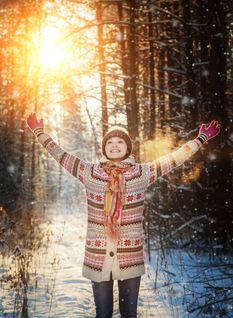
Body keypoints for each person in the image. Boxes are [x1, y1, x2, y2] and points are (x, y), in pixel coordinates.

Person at [26, 113, 220, 318]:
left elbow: (173, 159)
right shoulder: (89, 172)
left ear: (128, 148)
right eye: (110, 142)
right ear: (104, 148)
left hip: (130, 257)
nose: (115, 145)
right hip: (98, 257)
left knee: (129, 314)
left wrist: (200, 139)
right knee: (103, 314)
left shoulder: (141, 173)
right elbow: (61, 155)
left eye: (120, 141)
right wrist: (39, 132)